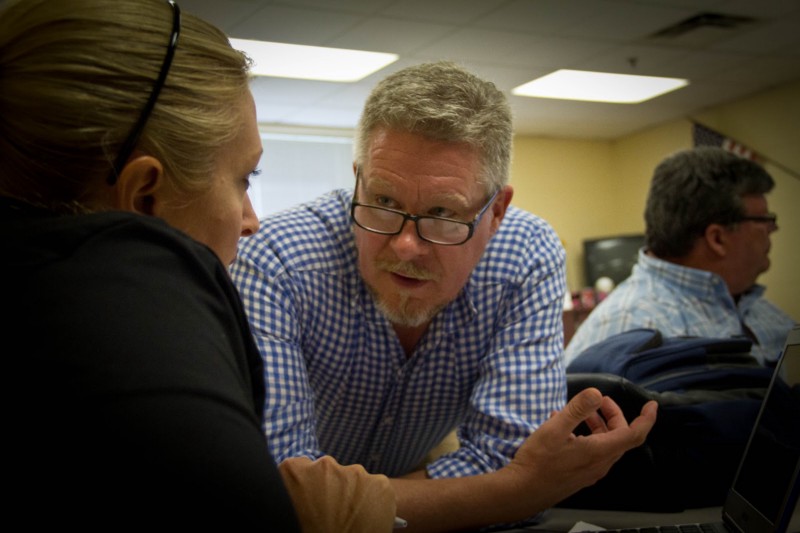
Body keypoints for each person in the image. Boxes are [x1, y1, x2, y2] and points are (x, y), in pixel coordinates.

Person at [1, 0, 396, 529]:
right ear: (144, 196)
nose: (252, 221)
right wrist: (337, 522)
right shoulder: (137, 325)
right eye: (244, 179)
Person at [230, 60, 657, 531]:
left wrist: (510, 488)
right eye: (384, 202)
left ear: (497, 212)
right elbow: (279, 496)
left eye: (442, 214)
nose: (405, 245)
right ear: (357, 182)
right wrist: (511, 490)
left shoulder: (525, 256)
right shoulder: (275, 260)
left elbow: (507, 460)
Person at [565, 146, 796, 367]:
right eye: (765, 220)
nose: (773, 229)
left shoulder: (758, 310)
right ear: (717, 238)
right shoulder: (630, 329)